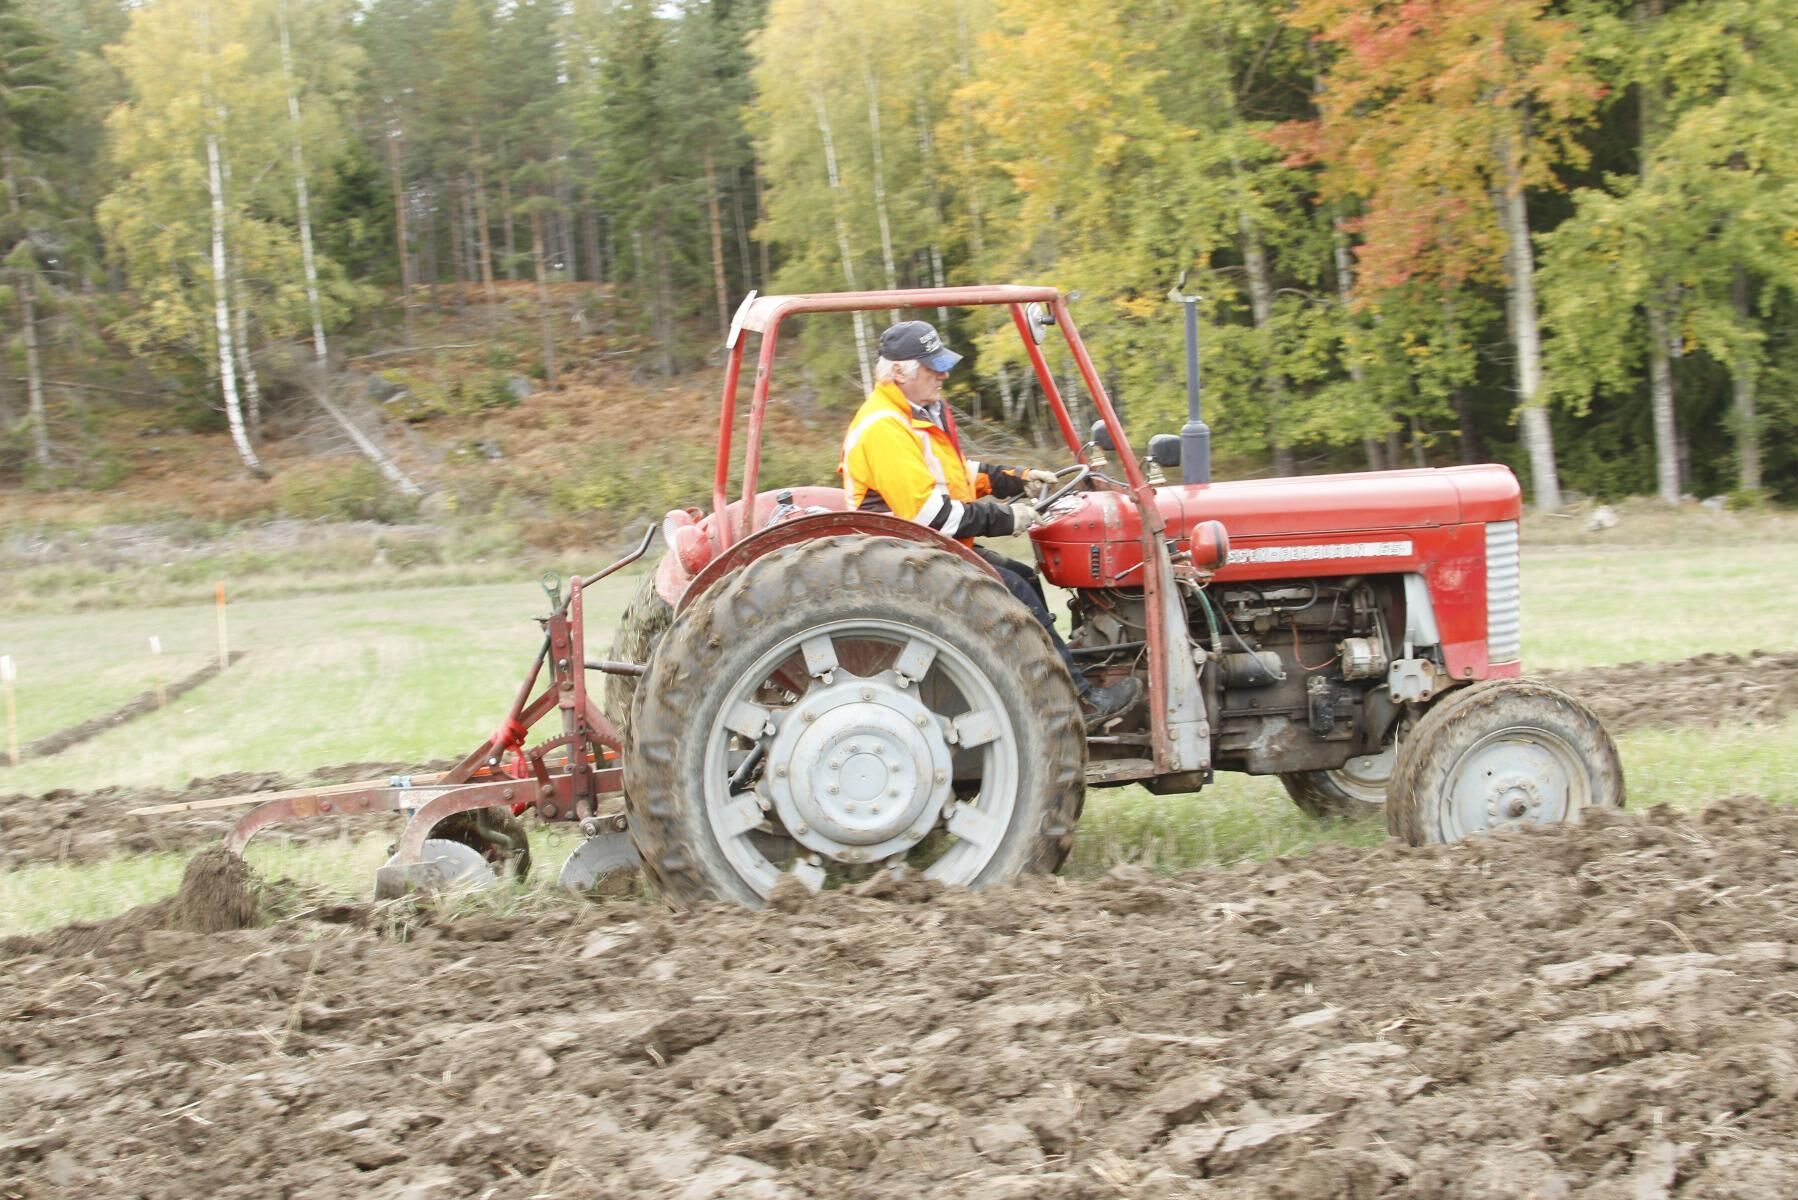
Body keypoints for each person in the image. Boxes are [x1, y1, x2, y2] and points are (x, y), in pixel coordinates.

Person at [841, 319, 1145, 729]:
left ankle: (1065, 670)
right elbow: (929, 514)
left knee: (1021, 575)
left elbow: (950, 474)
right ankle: (1076, 703)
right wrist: (1006, 517)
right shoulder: (884, 429)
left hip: (926, 548)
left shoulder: (915, 416)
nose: (943, 374)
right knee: (1015, 590)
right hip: (904, 556)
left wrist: (1012, 478)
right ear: (899, 372)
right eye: (933, 368)